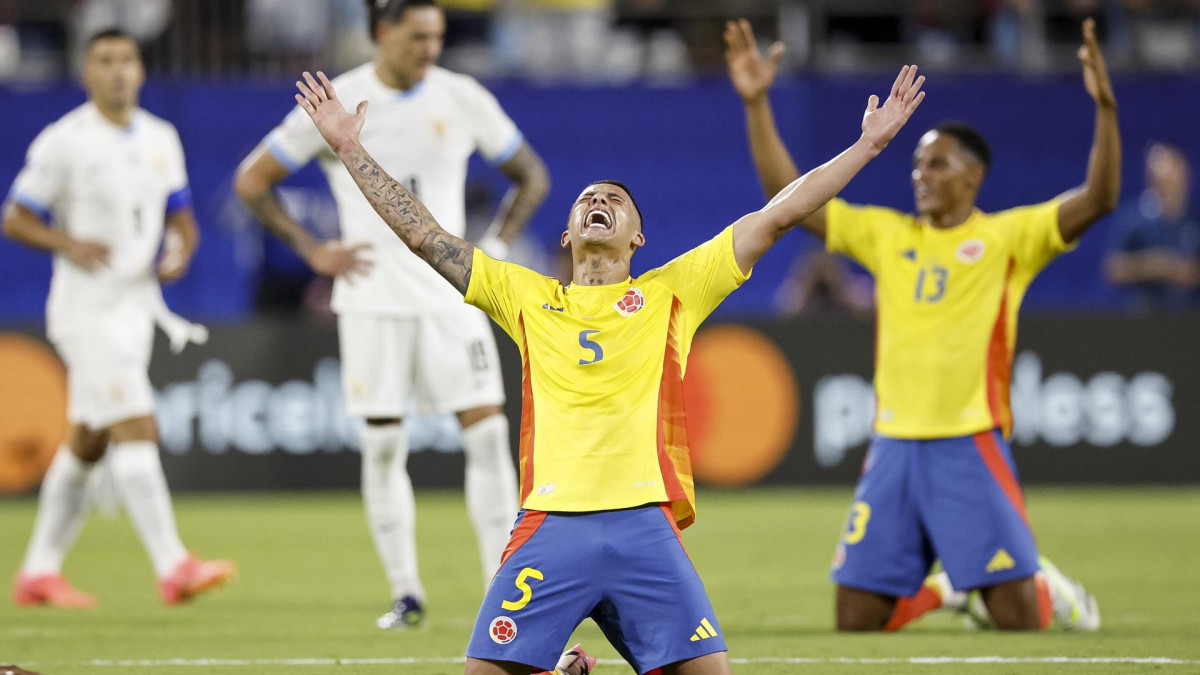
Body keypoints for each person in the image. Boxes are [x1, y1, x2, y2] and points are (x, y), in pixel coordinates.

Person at [291, 55, 924, 673]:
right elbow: (425, 236)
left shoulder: (674, 291)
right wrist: (349, 148)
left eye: (615, 200)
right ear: (568, 234)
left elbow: (779, 214)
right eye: (588, 197)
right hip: (550, 524)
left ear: (637, 239)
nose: (599, 200)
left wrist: (866, 147)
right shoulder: (525, 296)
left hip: (643, 526)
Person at [725, 17, 1117, 632]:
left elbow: (1099, 199)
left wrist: (1106, 110)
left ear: (972, 176)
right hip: (893, 443)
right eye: (916, 164)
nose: (921, 175)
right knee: (855, 620)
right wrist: (755, 103)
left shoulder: (1009, 238)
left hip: (969, 439)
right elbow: (785, 196)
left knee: (1020, 621)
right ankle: (946, 591)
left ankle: (1046, 586)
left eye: (937, 164)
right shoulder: (886, 235)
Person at [234, 0, 550, 630]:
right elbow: (251, 180)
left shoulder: (463, 97)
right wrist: (311, 249)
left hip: (451, 297)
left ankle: (499, 583)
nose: (430, 48)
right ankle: (406, 594)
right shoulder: (338, 102)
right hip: (372, 299)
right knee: (383, 445)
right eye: (418, 36)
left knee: (488, 435)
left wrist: (497, 246)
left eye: (437, 36)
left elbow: (531, 175)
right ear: (382, 32)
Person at [2, 28, 235, 608]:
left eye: (126, 59)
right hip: (86, 311)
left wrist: (180, 250)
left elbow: (181, 216)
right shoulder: (65, 141)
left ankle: (38, 573)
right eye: (104, 61)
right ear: (87, 74)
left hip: (136, 310)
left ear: (141, 70)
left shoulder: (161, 137)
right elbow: (16, 217)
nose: (117, 70)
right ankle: (173, 565)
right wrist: (68, 242)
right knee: (136, 423)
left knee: (87, 441)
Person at [1104, 141, 1200, 311]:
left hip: (1190, 313)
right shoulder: (1133, 218)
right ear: (1151, 177)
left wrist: (1185, 271)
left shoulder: (1195, 217)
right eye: (1164, 177)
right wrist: (1153, 265)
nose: (1170, 181)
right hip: (1146, 314)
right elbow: (1113, 269)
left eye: (1174, 174)